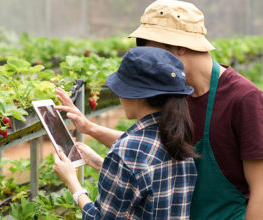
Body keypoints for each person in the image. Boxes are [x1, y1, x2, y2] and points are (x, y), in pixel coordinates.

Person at [57, 1, 263, 219]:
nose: (147, 58)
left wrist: (76, 187)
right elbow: (155, 150)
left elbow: (260, 187)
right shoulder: (172, 94)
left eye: (150, 47)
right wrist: (90, 129)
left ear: (180, 47)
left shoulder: (244, 99)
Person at [53, 46, 198, 219]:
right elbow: (146, 186)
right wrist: (102, 163)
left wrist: (73, 183)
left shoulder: (127, 151)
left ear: (140, 95)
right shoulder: (179, 138)